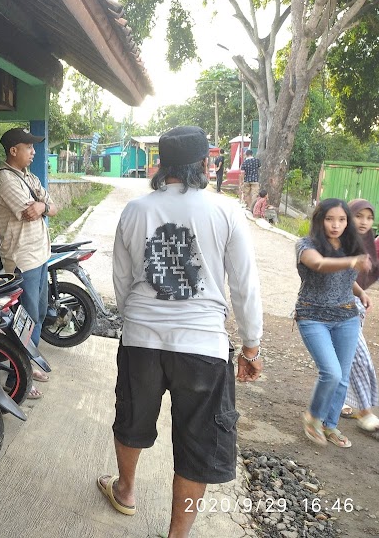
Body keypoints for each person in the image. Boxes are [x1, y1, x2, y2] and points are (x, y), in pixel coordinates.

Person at [98, 126, 263, 538]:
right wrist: (251, 346)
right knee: (199, 441)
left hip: (142, 339)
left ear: (161, 166)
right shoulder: (225, 211)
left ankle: (126, 490)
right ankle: (178, 534)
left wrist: (135, 319)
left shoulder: (135, 210)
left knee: (132, 419)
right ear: (204, 165)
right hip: (203, 345)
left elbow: (121, 279)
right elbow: (244, 283)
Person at [296, 198, 371, 449]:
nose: (336, 225)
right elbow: (320, 265)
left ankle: (330, 424)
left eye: (341, 219)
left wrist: (360, 292)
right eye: (330, 219)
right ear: (320, 220)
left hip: (346, 316)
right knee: (331, 372)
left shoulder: (350, 244)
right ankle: (313, 417)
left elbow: (343, 277)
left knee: (343, 376)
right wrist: (352, 261)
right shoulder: (306, 245)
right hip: (312, 316)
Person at [0, 127, 59, 399]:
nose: (33, 151)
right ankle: (16, 376)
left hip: (40, 255)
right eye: (28, 147)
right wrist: (42, 206)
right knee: (24, 319)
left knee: (38, 313)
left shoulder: (28, 177)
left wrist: (43, 206)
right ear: (13, 150)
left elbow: (50, 207)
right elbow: (29, 212)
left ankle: (29, 362)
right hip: (22, 259)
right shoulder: (5, 179)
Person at [339, 199, 379, 431]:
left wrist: (361, 295)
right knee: (360, 358)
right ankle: (365, 413)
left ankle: (341, 402)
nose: (364, 222)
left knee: (344, 359)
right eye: (358, 216)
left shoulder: (368, 244)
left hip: (355, 307)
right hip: (340, 308)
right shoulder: (336, 242)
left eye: (369, 217)